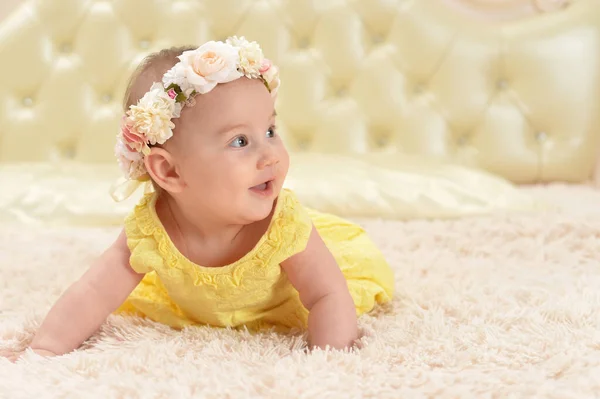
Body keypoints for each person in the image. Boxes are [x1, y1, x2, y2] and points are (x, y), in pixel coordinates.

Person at [5, 36, 394, 360]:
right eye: (240, 141)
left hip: (280, 304)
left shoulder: (282, 224)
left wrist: (331, 365)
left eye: (271, 130)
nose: (271, 154)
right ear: (170, 171)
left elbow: (327, 294)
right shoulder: (151, 231)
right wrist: (44, 352)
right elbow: (92, 293)